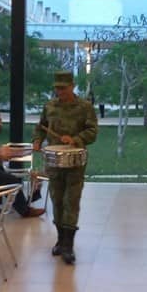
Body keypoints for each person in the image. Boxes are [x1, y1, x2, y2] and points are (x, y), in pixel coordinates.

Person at [32, 71, 98, 265]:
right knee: (57, 200)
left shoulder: (85, 107)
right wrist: (37, 140)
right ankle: (60, 240)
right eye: (57, 88)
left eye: (63, 87)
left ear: (72, 86)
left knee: (72, 201)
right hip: (53, 162)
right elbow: (41, 126)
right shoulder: (50, 106)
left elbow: (93, 131)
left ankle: (69, 245)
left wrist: (76, 139)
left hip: (75, 162)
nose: (60, 91)